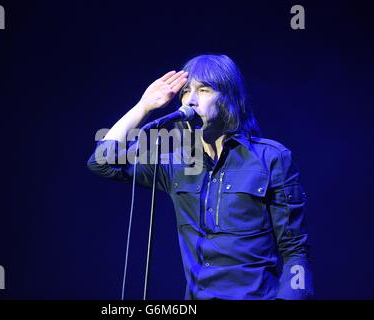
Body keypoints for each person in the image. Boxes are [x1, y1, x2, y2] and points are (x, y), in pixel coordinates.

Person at [87, 54, 314, 300]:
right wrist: (142, 107)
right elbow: (102, 162)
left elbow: (295, 252)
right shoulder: (176, 164)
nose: (191, 101)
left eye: (203, 90)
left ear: (229, 98)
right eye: (185, 92)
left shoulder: (271, 158)